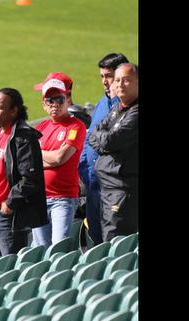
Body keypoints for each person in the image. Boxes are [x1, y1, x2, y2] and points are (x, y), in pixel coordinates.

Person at [0, 88, 47, 256]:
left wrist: (9, 203)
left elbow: (30, 179)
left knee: (8, 269)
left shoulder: (23, 138)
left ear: (14, 111)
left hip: (9, 216)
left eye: (0, 107)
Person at [78, 53, 129, 245]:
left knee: (115, 241)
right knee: (97, 238)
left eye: (108, 76)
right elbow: (89, 139)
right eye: (102, 76)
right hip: (93, 186)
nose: (105, 82)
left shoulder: (128, 106)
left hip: (114, 188)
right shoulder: (101, 103)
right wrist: (83, 168)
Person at [31, 73, 86, 248]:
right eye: (50, 100)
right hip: (39, 198)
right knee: (40, 249)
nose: (55, 104)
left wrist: (41, 155)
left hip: (62, 198)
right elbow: (30, 160)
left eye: (59, 100)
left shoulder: (76, 125)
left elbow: (60, 157)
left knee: (57, 248)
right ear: (43, 104)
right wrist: (50, 159)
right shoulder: (41, 127)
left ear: (67, 100)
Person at [88, 63, 138, 242]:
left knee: (115, 242)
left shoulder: (135, 112)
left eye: (126, 80)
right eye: (117, 80)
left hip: (122, 190)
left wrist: (106, 142)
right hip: (107, 189)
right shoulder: (118, 108)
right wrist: (106, 143)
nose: (120, 85)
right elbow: (94, 135)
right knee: (105, 238)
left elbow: (111, 140)